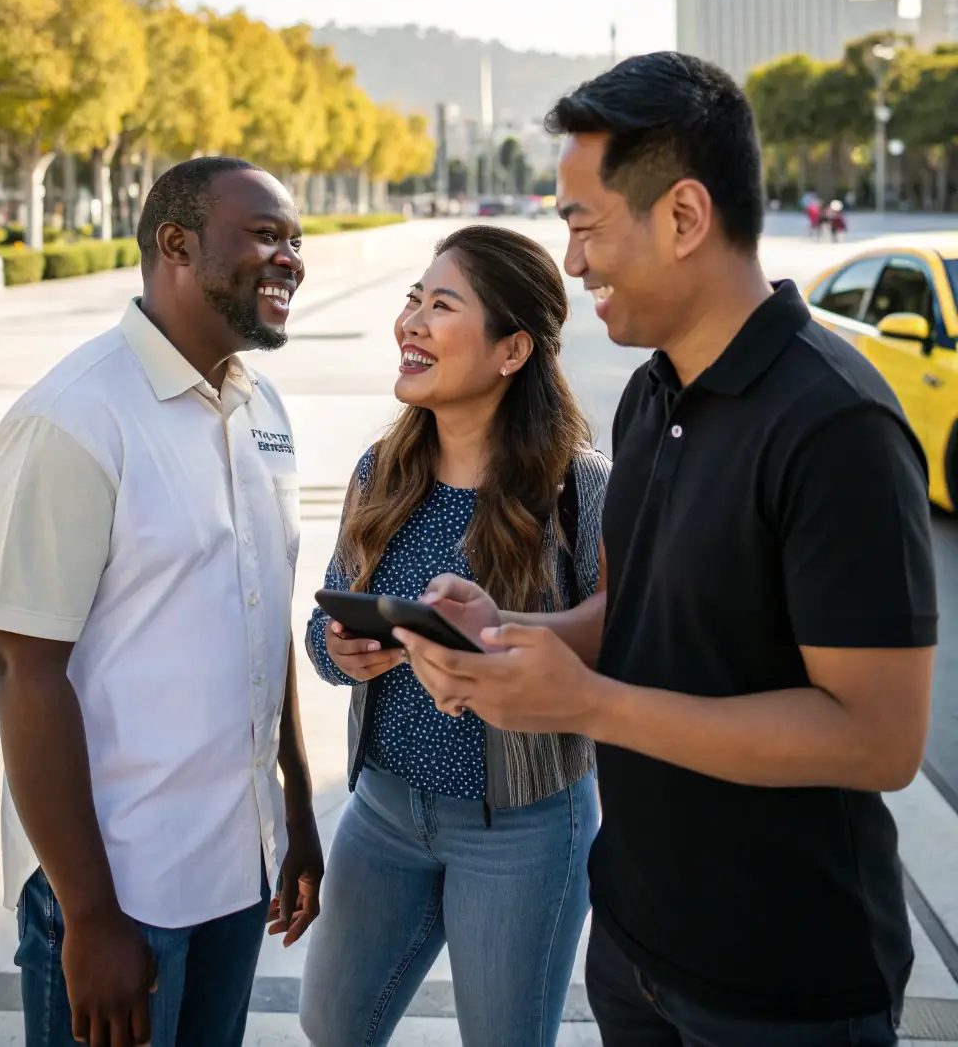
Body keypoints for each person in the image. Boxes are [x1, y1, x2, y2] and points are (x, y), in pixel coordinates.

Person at [396, 53, 936, 1047]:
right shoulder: (651, 396)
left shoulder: (836, 427)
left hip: (782, 990)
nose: (570, 262)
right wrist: (512, 630)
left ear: (683, 218)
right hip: (636, 948)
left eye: (583, 223)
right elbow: (643, 615)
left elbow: (878, 740)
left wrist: (586, 704)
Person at [0, 157, 324, 1047]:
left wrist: (293, 807)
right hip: (119, 888)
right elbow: (21, 667)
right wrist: (89, 915)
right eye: (266, 235)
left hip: (237, 876)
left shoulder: (261, 405)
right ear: (176, 243)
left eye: (296, 240)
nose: (291, 258)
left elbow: (263, 609)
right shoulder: (74, 418)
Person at [299, 223, 610, 1047]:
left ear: (511, 350)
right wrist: (336, 649)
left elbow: (626, 641)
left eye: (442, 304)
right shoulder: (377, 470)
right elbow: (321, 625)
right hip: (384, 808)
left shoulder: (579, 489)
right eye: (413, 298)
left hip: (525, 826)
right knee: (330, 1022)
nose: (412, 321)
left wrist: (501, 639)